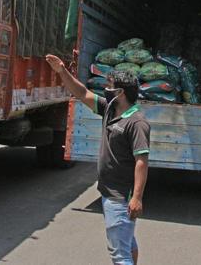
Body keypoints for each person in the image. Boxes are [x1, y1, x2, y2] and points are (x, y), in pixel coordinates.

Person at [46, 54, 150, 265]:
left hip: (120, 196)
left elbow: (142, 161)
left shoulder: (137, 122)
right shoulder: (110, 109)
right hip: (109, 191)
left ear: (120, 92)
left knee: (120, 255)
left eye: (110, 85)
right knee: (127, 243)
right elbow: (82, 93)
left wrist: (137, 197)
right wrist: (62, 71)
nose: (106, 87)